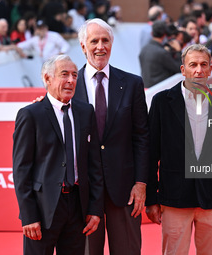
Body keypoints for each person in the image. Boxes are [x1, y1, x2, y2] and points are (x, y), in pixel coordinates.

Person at [146, 44, 212, 255]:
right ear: (183, 70)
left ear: (211, 69)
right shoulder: (161, 102)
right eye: (193, 65)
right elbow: (150, 154)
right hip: (174, 198)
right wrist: (151, 199)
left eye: (204, 65)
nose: (198, 70)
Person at [13, 54, 104, 255]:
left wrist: (95, 209)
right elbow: (21, 171)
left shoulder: (85, 111)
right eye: (64, 75)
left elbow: (94, 164)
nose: (71, 80)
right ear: (47, 79)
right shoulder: (30, 114)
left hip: (77, 207)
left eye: (74, 75)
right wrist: (28, 215)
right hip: (43, 208)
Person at [74, 18, 149, 255]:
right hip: (82, 191)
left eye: (105, 40)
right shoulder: (68, 85)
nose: (100, 46)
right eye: (93, 41)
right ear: (83, 46)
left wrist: (141, 183)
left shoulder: (132, 83)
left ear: (112, 43)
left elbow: (142, 137)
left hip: (125, 188)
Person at [139, 20, 182, 88]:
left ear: (152, 33)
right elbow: (179, 68)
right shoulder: (162, 53)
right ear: (165, 34)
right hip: (159, 89)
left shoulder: (144, 49)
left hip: (146, 88)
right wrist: (178, 51)